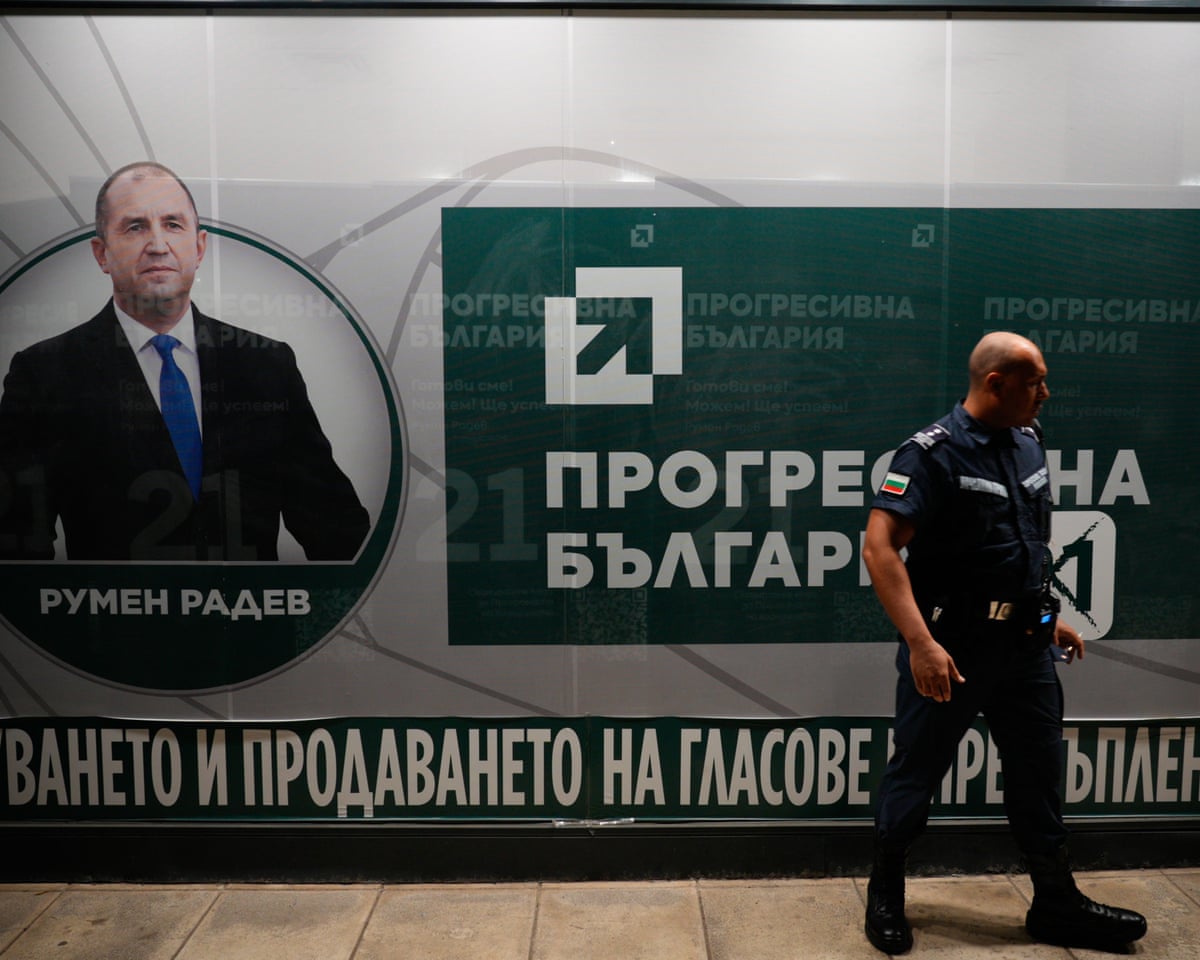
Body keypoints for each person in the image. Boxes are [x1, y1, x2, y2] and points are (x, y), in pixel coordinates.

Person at [861, 332, 1146, 954]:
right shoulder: (930, 455)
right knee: (917, 770)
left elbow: (1023, 549)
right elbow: (878, 548)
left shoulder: (1027, 441)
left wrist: (1050, 621)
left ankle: (1055, 904)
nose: (1046, 393)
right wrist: (921, 643)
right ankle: (885, 891)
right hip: (953, 650)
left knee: (1039, 772)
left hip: (1026, 645)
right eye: (1036, 381)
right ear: (996, 383)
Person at [0, 161, 369, 561]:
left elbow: (337, 528)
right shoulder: (44, 374)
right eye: (135, 226)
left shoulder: (267, 367)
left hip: (246, 619)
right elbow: (15, 546)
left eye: (173, 224)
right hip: (113, 621)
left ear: (199, 247)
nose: (158, 245)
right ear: (101, 253)